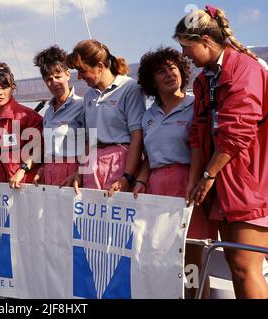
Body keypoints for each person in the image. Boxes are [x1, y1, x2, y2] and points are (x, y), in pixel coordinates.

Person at [174, 5, 268, 298]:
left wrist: (209, 174)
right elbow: (198, 131)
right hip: (223, 183)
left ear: (205, 40)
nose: (184, 55)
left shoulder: (246, 67)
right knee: (234, 263)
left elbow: (238, 130)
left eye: (186, 47)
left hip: (247, 181)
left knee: (244, 266)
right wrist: (196, 178)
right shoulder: (204, 80)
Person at [134, 47, 218, 298]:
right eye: (161, 70)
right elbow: (148, 157)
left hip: (188, 185)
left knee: (191, 260)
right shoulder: (147, 116)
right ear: (152, 80)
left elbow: (200, 148)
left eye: (173, 67)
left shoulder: (196, 105)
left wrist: (197, 182)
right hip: (155, 189)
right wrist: (140, 181)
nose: (169, 73)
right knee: (161, 258)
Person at [65, 39, 146, 194]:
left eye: (82, 71)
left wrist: (127, 177)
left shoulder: (130, 88)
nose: (80, 77)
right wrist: (80, 173)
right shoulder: (89, 96)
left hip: (120, 164)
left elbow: (137, 136)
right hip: (93, 166)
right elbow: (90, 139)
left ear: (100, 67)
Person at [0, 63, 43, 188]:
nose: (0, 92)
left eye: (4, 87)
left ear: (13, 88)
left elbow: (41, 150)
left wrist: (22, 170)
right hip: (2, 188)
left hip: (26, 185)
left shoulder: (28, 117)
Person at [32, 45, 85, 186]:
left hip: (73, 173)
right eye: (49, 79)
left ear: (68, 74)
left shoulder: (82, 105)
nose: (54, 82)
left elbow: (90, 144)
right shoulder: (48, 111)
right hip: (50, 172)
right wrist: (43, 168)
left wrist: (80, 173)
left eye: (58, 76)